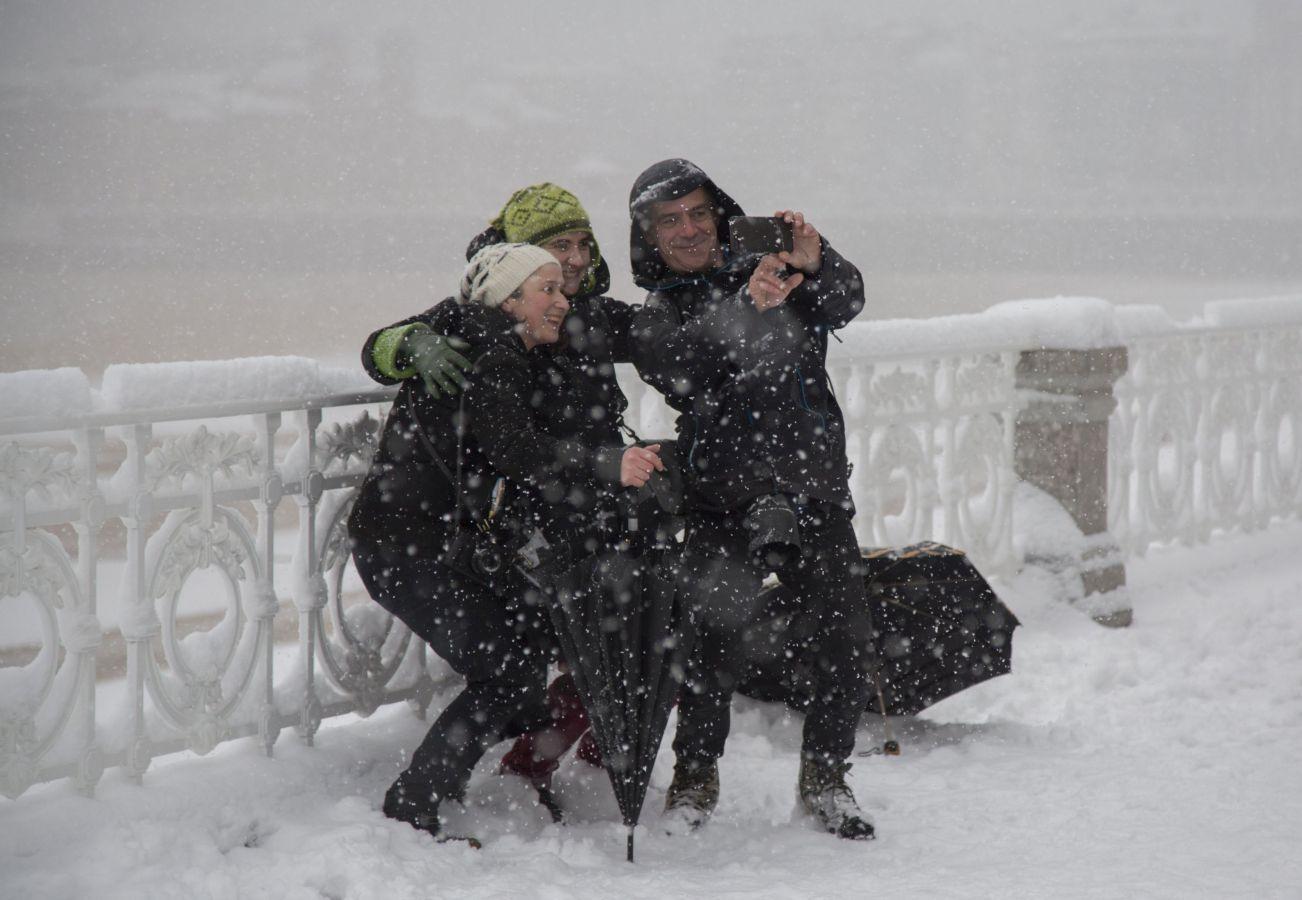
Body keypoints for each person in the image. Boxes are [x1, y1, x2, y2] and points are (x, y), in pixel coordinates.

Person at [348, 241, 663, 841]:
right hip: (403, 551)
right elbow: (517, 454)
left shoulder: (488, 342)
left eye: (562, 289)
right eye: (547, 289)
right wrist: (608, 464)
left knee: (530, 646)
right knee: (508, 673)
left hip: (423, 546)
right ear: (509, 299)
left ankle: (468, 781)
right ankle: (413, 804)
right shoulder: (490, 352)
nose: (563, 300)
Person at [627, 158, 878, 840]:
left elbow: (847, 302)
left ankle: (827, 778)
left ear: (720, 214)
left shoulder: (773, 269)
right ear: (649, 234)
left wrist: (817, 262)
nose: (686, 231)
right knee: (709, 647)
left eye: (698, 214)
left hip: (812, 489)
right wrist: (745, 310)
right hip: (721, 501)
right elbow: (680, 370)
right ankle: (695, 781)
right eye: (669, 220)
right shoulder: (659, 312)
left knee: (847, 639)